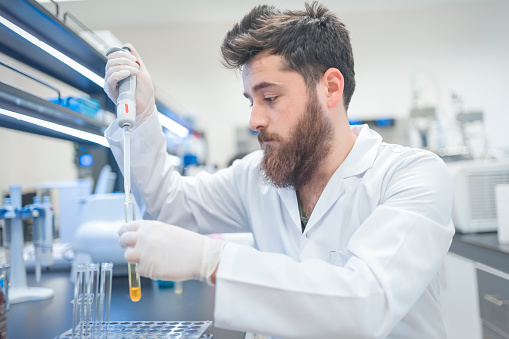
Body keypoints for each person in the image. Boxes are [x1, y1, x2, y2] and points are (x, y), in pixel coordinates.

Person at [103, 2, 454, 338]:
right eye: (251, 101)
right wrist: (144, 113)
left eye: (270, 98)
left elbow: (368, 301)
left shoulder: (412, 176)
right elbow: (167, 208)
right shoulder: (256, 176)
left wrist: (212, 260)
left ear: (330, 88)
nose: (255, 120)